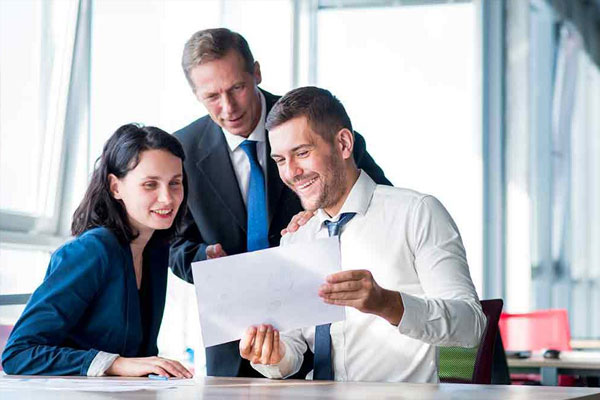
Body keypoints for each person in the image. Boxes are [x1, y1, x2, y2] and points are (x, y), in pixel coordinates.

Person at [169, 28, 391, 377]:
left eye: (237, 88)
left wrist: (324, 211)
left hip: (323, 331)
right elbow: (175, 245)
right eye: (211, 96)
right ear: (195, 94)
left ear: (256, 72)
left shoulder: (312, 120)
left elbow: (379, 201)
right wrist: (204, 256)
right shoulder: (182, 149)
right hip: (234, 342)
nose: (228, 108)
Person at [239, 87, 486, 383]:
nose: (291, 172)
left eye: (302, 153)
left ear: (343, 144)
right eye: (280, 160)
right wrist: (273, 355)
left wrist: (390, 304)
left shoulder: (416, 213)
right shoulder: (296, 237)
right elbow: (292, 351)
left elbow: (471, 325)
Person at [2, 124, 193, 378]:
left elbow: (140, 358)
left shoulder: (155, 252)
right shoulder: (93, 250)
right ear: (115, 187)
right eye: (150, 185)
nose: (167, 198)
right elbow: (18, 353)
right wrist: (115, 364)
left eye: (175, 183)